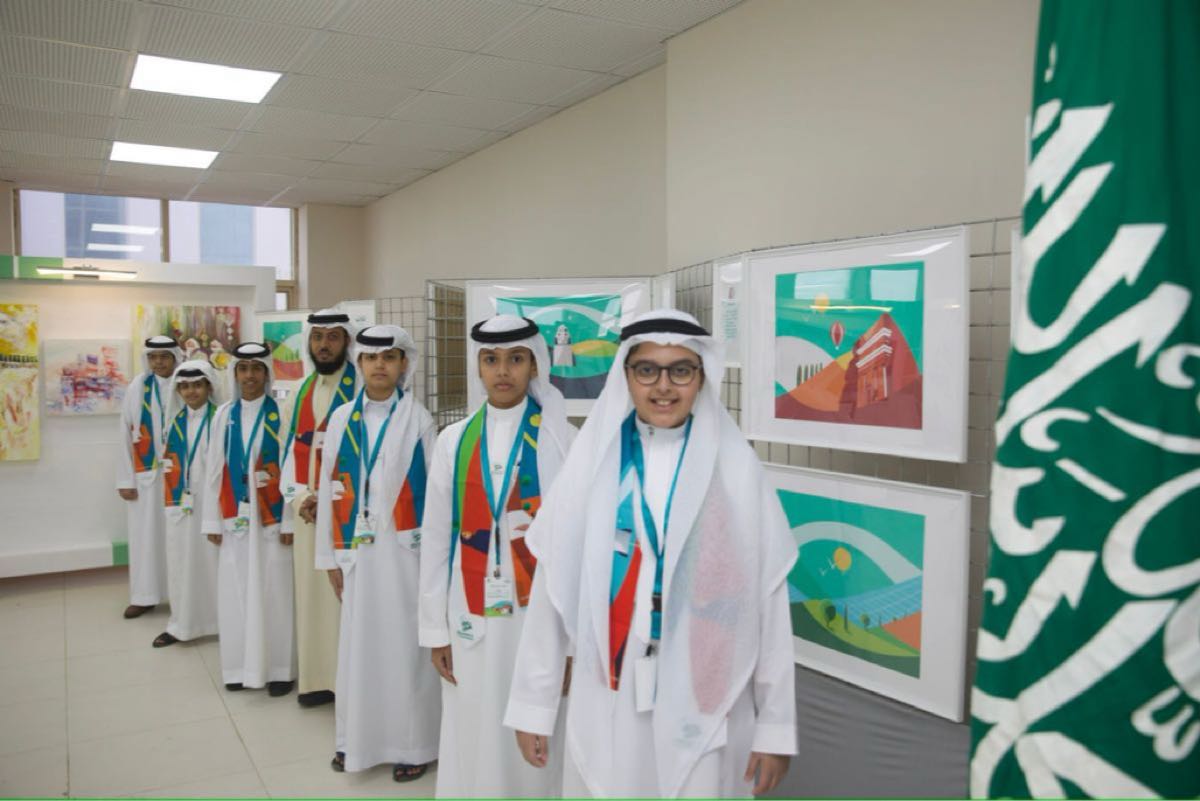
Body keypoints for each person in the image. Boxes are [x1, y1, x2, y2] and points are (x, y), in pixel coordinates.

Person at [504, 310, 798, 798]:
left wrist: (775, 728)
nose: (664, 386)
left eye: (680, 370)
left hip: (705, 694)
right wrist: (534, 705)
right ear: (626, 376)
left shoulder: (737, 471)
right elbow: (551, 595)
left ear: (701, 377)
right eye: (647, 370)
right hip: (612, 688)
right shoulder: (591, 467)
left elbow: (768, 606)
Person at [419, 315, 576, 797]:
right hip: (469, 610)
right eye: (491, 360)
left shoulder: (562, 440)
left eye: (515, 359)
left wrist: (571, 646)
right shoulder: (452, 440)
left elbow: (575, 549)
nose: (502, 370)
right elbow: (436, 541)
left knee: (539, 720)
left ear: (535, 365)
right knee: (474, 719)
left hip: (541, 615)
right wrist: (435, 630)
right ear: (478, 367)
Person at [315, 325, 440, 781]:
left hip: (407, 557)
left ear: (404, 363)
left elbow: (437, 498)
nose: (380, 365)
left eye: (389, 357)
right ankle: (355, 740)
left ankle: (414, 744)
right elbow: (327, 488)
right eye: (371, 358)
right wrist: (327, 557)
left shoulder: (419, 420)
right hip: (357, 552)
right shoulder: (340, 419)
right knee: (358, 648)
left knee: (406, 649)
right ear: (360, 364)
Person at [201, 342, 297, 696]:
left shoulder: (280, 412)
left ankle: (280, 670)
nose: (250, 375)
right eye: (244, 369)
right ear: (235, 373)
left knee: (276, 592)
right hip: (236, 518)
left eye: (257, 368)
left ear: (267, 373)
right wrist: (212, 521)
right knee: (236, 590)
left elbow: (291, 468)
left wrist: (289, 520)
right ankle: (238, 667)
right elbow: (214, 469)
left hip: (272, 518)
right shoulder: (224, 415)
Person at [281, 308, 358, 708]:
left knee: (345, 599)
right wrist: (299, 498)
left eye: (332, 337)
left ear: (347, 341)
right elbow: (286, 452)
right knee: (312, 598)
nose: (324, 345)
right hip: (308, 512)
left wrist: (330, 501)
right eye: (317, 338)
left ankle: (349, 683)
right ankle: (316, 681)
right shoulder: (298, 392)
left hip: (349, 513)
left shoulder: (362, 389)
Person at [153, 360, 221, 648]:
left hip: (213, 507)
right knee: (180, 562)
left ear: (209, 386)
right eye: (184, 386)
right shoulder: (174, 423)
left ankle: (220, 622)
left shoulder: (220, 419)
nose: (191, 392)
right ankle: (181, 624)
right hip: (182, 507)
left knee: (214, 564)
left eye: (197, 385)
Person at [116, 335, 183, 619]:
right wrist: (125, 479)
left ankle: (182, 598)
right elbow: (125, 429)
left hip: (180, 476)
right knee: (146, 538)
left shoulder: (186, 384)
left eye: (164, 356)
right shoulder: (138, 386)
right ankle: (145, 596)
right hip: (147, 478)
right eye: (153, 357)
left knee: (179, 537)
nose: (158, 362)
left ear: (175, 357)